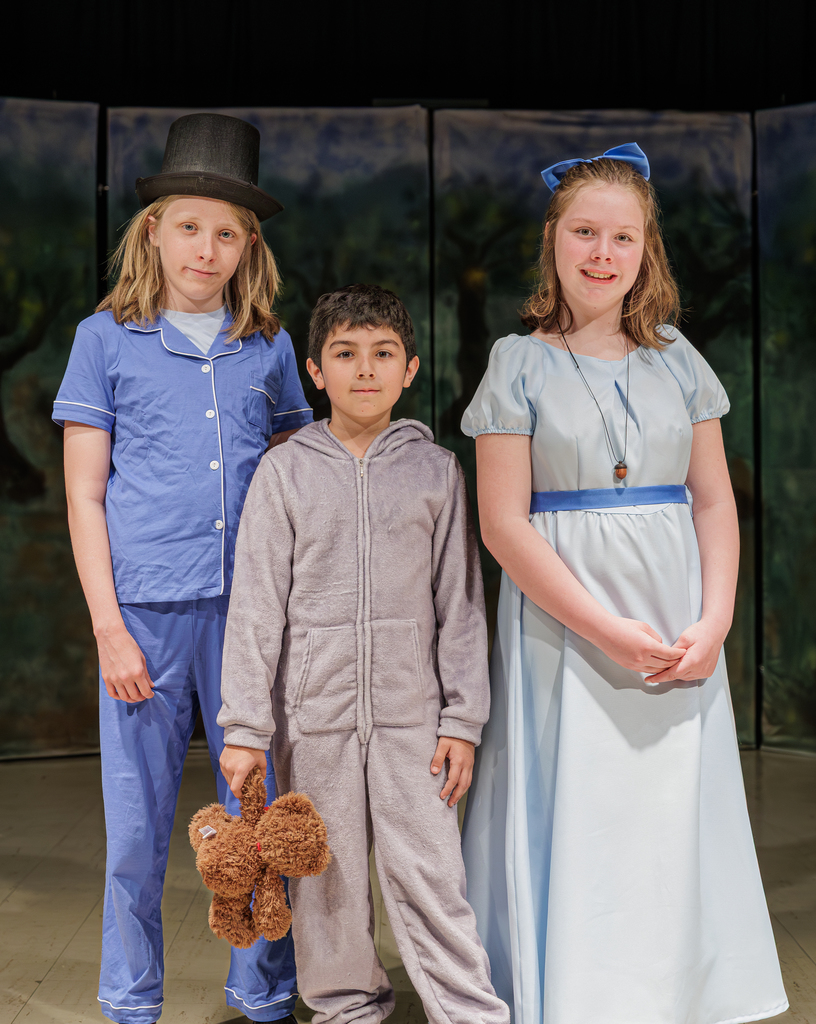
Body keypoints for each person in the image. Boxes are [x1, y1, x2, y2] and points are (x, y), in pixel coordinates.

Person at [459, 144, 788, 1024]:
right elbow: (502, 523)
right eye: (584, 234)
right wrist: (602, 629)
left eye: (622, 238)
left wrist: (714, 619)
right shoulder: (517, 362)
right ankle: (574, 994)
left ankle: (675, 991)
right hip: (565, 623)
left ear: (647, 252)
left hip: (677, 620)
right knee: (583, 806)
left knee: (665, 812)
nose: (601, 254)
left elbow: (713, 502)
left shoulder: (678, 357)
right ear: (553, 241)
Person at [53, 113, 313, 1024]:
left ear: (250, 247)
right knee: (135, 832)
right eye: (190, 225)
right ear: (153, 229)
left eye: (228, 232)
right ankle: (130, 1001)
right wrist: (109, 627)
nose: (207, 248)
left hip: (253, 622)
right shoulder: (105, 341)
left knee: (264, 816)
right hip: (145, 622)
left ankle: (266, 992)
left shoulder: (270, 349)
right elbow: (85, 497)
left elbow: (300, 481)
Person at [217, 284, 510, 1024]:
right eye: (344, 354)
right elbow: (256, 607)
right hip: (312, 719)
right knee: (328, 878)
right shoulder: (284, 474)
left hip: (414, 722)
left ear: (410, 368)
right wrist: (245, 727)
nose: (365, 370)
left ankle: (468, 1011)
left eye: (383, 354)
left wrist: (462, 720)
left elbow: (461, 607)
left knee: (433, 874)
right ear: (315, 370)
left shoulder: (437, 471)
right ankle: (345, 1007)